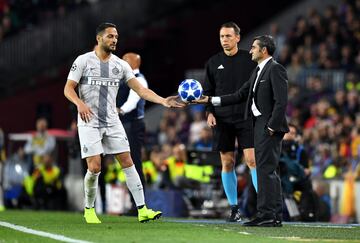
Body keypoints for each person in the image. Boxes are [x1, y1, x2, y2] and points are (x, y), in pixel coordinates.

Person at [64, 22, 184, 224]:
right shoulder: (83, 61)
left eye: (116, 37)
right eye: (110, 36)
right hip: (89, 120)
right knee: (94, 167)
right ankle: (89, 209)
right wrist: (79, 104)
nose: (114, 40)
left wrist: (164, 100)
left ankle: (142, 209)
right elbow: (68, 88)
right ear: (99, 38)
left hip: (112, 121)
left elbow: (141, 90)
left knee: (128, 163)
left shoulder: (120, 65)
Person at [196, 35, 289, 227]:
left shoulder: (275, 68)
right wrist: (210, 101)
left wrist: (272, 126)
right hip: (259, 126)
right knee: (265, 170)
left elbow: (281, 102)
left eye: (254, 47)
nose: (251, 50)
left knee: (266, 170)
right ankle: (271, 215)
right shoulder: (257, 71)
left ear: (264, 50)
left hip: (268, 128)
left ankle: (268, 214)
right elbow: (239, 95)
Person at [203, 21, 257, 222]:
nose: (224, 40)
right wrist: (209, 112)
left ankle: (264, 208)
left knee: (252, 161)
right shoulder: (212, 62)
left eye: (228, 36)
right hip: (222, 119)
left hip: (246, 117)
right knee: (227, 162)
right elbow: (208, 93)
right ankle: (234, 209)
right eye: (221, 37)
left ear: (237, 37)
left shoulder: (250, 60)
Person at [116, 52, 147, 187]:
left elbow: (133, 101)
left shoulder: (139, 79)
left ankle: (140, 203)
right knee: (127, 164)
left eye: (125, 60)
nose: (122, 62)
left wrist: (120, 110)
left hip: (133, 125)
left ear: (134, 63)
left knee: (135, 163)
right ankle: (133, 201)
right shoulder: (124, 78)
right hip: (124, 123)